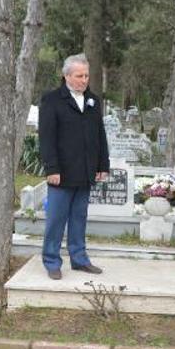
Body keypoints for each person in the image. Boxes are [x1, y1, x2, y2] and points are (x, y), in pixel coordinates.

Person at [39, 53, 109, 280]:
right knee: (56, 219)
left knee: (79, 217)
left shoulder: (93, 101)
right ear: (66, 75)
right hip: (62, 172)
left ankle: (79, 259)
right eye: (79, 75)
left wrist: (102, 165)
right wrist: (51, 169)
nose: (84, 80)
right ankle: (51, 260)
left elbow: (100, 134)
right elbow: (47, 138)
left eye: (86, 75)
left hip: (86, 170)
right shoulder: (52, 100)